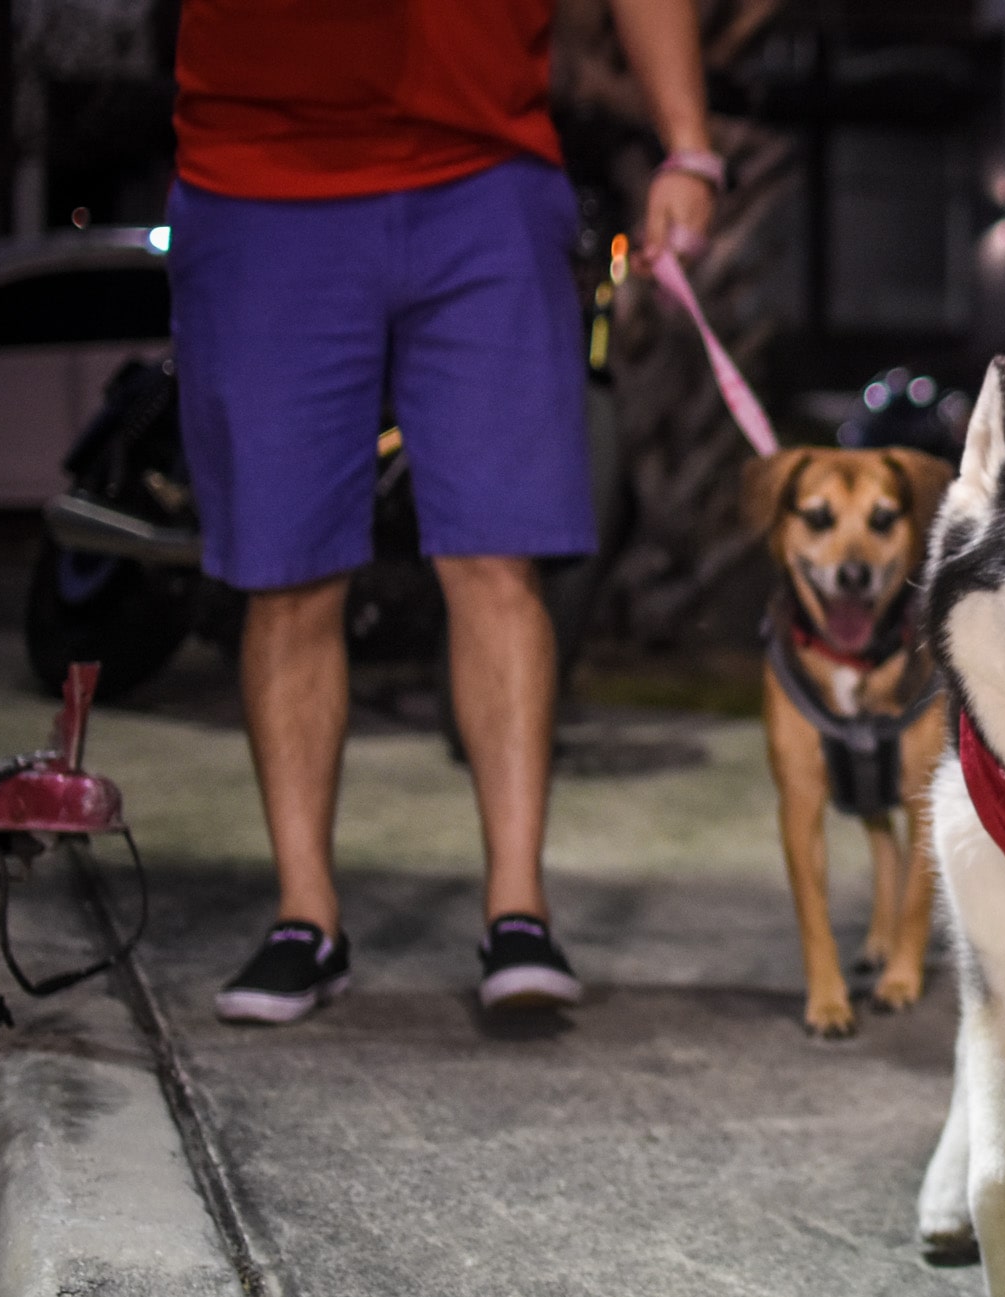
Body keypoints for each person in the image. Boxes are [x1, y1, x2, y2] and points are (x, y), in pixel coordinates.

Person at [171, 0, 719, 1023]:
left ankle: (518, 909)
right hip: (259, 177)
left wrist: (688, 145)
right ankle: (306, 919)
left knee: (497, 556)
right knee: (286, 575)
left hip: (485, 175)